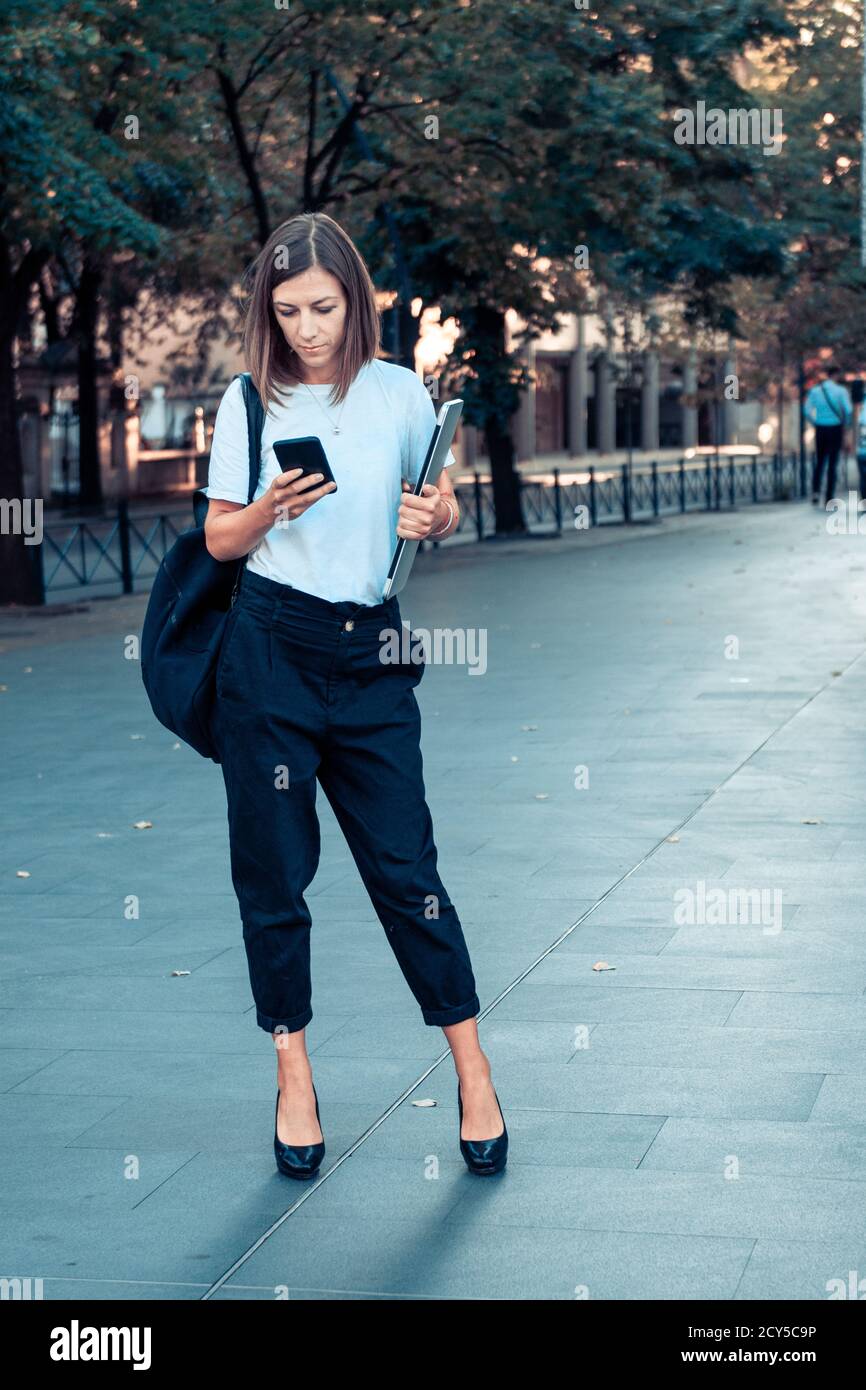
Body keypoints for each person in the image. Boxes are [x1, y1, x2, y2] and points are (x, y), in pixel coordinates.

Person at [202, 212, 507, 1179]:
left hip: (371, 653)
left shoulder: (401, 394)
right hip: (271, 654)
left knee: (407, 868)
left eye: (324, 307)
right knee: (274, 872)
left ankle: (472, 1067)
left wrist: (444, 512)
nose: (307, 327)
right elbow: (217, 540)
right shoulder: (247, 401)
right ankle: (293, 1070)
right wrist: (266, 509)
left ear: (357, 301)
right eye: (287, 310)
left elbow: (437, 505)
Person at [804, 364, 852, 505]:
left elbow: (806, 411)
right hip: (835, 428)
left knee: (819, 462)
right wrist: (846, 425)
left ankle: (815, 492)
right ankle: (829, 497)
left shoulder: (815, 391)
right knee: (832, 463)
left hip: (820, 428)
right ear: (836, 375)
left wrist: (815, 422)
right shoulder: (840, 391)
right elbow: (848, 411)